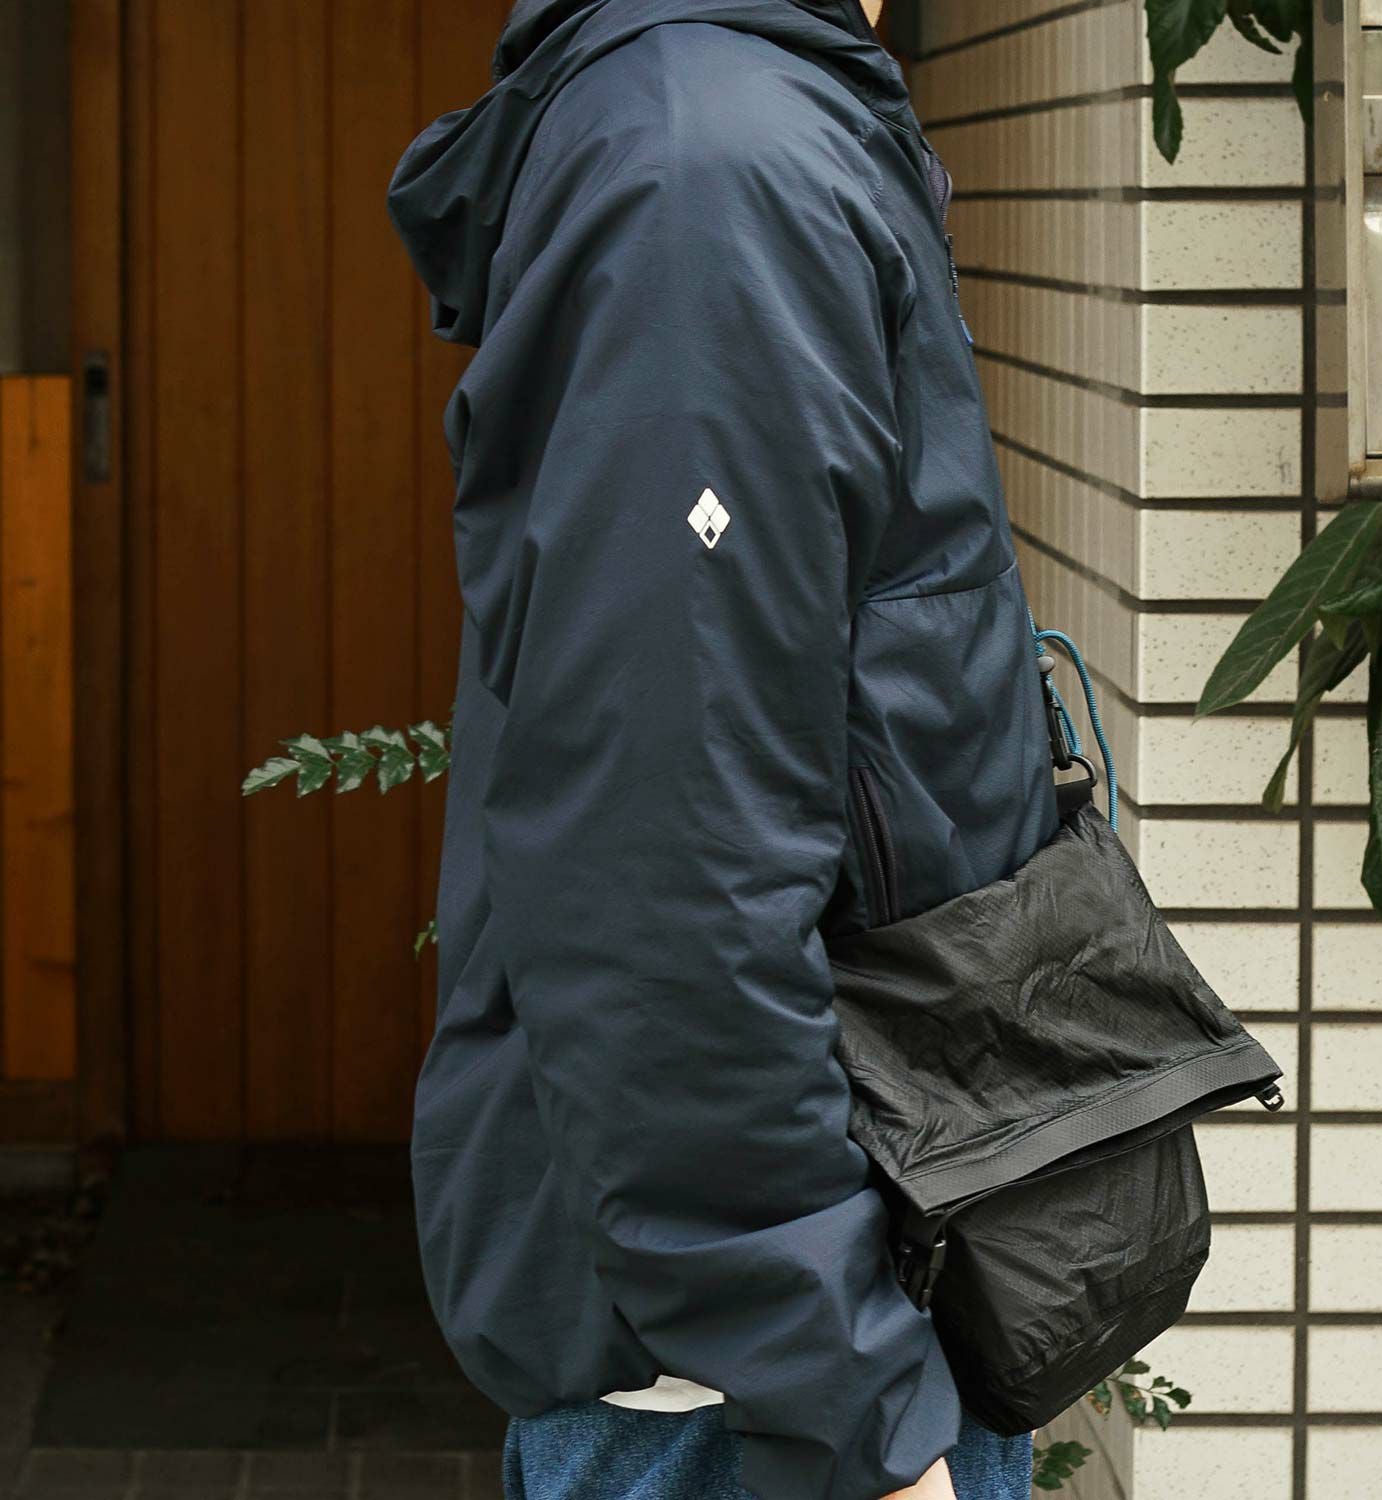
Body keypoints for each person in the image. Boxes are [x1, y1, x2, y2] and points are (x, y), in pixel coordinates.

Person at [387, 1, 1059, 1495]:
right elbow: (668, 870)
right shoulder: (715, 167)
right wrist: (856, 1409)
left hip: (810, 1325)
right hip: (760, 1394)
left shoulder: (748, 125)